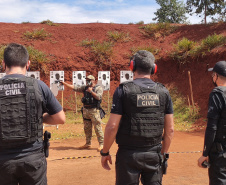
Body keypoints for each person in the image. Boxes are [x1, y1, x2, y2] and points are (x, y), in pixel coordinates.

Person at [101, 50, 174, 185]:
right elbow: (170, 130)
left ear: (132, 66)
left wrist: (105, 152)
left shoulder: (123, 90)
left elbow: (112, 126)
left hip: (128, 155)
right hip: (154, 153)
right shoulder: (163, 91)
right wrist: (162, 154)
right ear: (154, 68)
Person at [0, 43, 65, 185]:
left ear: (4, 63)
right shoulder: (39, 86)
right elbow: (60, 118)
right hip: (32, 159)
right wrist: (39, 118)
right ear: (28, 64)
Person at [198, 61, 226, 184]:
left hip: (220, 153)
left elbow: (212, 127)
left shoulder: (217, 93)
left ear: (216, 75)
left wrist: (205, 153)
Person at [61, 75, 104, 151]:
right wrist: (64, 83)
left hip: (94, 110)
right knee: (87, 128)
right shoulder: (85, 88)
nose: (87, 81)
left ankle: (102, 144)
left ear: (93, 80)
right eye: (86, 80)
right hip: (86, 110)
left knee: (97, 127)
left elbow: (99, 97)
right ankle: (88, 143)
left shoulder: (98, 88)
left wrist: (91, 92)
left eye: (89, 80)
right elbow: (74, 87)